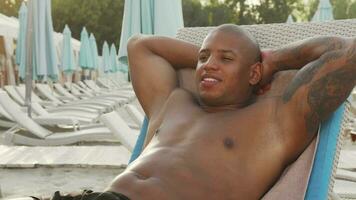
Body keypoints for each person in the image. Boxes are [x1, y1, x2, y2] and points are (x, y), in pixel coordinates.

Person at [51, 24, 356, 200]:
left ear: (254, 74)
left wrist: (271, 61)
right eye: (203, 57)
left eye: (225, 58)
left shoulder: (275, 119)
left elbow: (346, 52)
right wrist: (220, 58)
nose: (209, 64)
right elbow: (140, 46)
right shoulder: (173, 102)